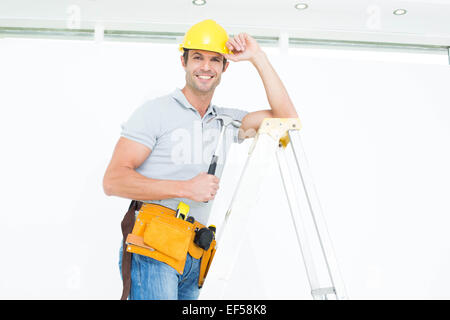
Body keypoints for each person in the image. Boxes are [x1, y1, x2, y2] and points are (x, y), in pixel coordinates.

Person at [103, 19, 298, 300]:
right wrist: (184, 188)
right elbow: (113, 181)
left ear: (224, 67)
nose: (205, 67)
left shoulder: (226, 121)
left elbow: (287, 120)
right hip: (153, 245)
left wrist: (258, 57)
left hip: (196, 250)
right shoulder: (155, 112)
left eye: (214, 59)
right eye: (197, 57)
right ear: (183, 61)